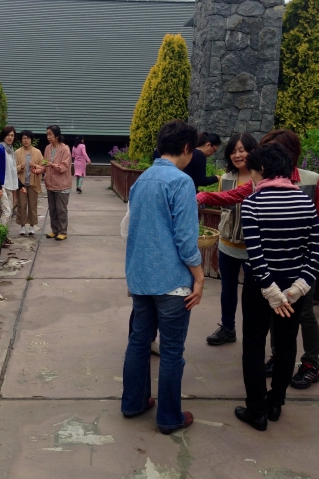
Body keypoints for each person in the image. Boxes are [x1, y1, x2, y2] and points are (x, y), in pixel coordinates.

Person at [197, 129, 319, 388]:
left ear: (291, 153)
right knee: (276, 318)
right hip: (269, 269)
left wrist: (305, 277)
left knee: (304, 314)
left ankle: (311, 362)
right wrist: (204, 196)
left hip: (300, 267)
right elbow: (234, 198)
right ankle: (276, 365)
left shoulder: (311, 180)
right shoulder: (258, 182)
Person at [121, 120, 204, 433]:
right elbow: (186, 239)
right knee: (171, 351)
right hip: (171, 281)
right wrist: (199, 276)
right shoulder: (181, 182)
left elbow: (130, 229)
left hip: (141, 279)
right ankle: (169, 417)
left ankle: (133, 403)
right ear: (186, 148)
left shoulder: (141, 180)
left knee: (139, 342)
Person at [236, 144, 319, 431]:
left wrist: (271, 292)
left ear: (261, 170)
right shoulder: (305, 202)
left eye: (252, 171)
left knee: (253, 345)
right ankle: (275, 404)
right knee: (286, 345)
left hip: (259, 287)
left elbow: (256, 253)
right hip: (293, 289)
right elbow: (314, 252)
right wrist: (297, 289)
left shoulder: (253, 203)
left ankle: (256, 411)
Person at [200, 133, 258, 346]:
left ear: (253, 151)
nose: (237, 155)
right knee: (228, 290)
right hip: (227, 245)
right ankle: (227, 328)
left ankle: (252, 335)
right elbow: (222, 206)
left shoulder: (261, 179)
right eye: (233, 151)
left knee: (252, 295)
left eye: (242, 150)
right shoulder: (225, 178)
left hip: (253, 248)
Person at [32, 125, 72, 241]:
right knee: (53, 209)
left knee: (61, 210)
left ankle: (63, 231)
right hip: (50, 184)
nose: (48, 137)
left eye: (50, 134)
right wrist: (38, 170)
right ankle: (55, 230)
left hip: (62, 185)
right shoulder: (48, 148)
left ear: (57, 135)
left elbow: (64, 167)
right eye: (47, 134)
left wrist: (52, 165)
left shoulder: (65, 149)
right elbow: (45, 166)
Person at [0, 125, 24, 247]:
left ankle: (3, 237)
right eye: (8, 135)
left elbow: (12, 170)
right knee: (7, 211)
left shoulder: (10, 150)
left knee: (9, 211)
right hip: (1, 184)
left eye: (12, 135)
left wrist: (20, 185)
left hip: (9, 185)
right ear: (3, 136)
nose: (10, 137)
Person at [15, 130, 43, 236]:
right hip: (21, 183)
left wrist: (34, 165)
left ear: (31, 139)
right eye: (24, 138)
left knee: (32, 205)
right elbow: (12, 168)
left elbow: (43, 166)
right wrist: (20, 167)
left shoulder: (37, 152)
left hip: (33, 183)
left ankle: (32, 226)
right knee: (21, 205)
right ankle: (22, 226)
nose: (26, 140)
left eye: (28, 138)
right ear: (21, 140)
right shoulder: (17, 152)